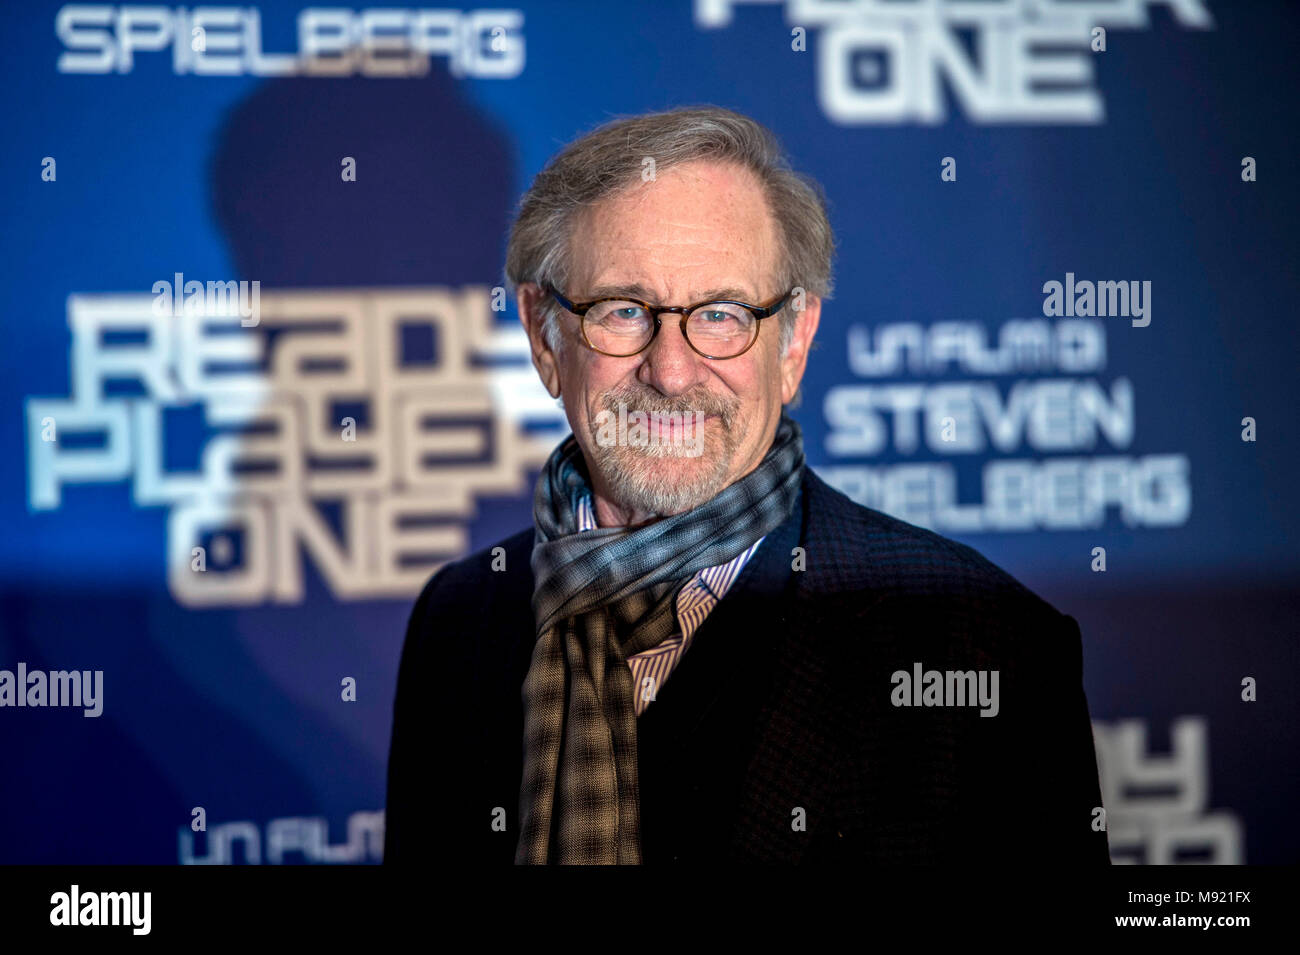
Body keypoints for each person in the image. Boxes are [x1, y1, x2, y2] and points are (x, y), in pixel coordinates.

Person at [384, 105, 1110, 865]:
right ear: (545, 335)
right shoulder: (459, 620)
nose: (671, 370)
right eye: (624, 310)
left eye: (723, 314)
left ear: (793, 341)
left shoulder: (983, 642)